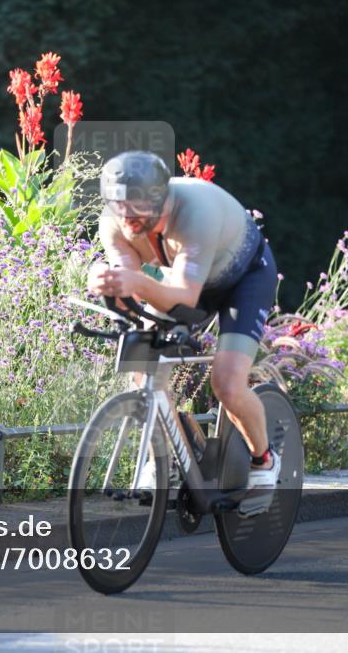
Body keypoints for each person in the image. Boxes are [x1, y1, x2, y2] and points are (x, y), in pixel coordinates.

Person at [87, 150, 281, 496]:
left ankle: (264, 459)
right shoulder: (113, 223)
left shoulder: (195, 212)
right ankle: (166, 460)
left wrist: (135, 282)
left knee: (227, 384)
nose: (127, 216)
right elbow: (130, 285)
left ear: (161, 199)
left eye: (136, 206)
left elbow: (184, 299)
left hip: (243, 282)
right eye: (119, 205)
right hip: (186, 282)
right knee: (141, 366)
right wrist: (108, 282)